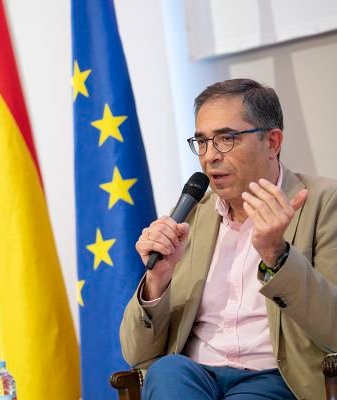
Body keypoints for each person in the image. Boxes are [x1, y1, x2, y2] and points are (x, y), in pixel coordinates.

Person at [120, 78, 337, 400]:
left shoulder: (323, 202)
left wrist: (276, 255)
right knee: (167, 370)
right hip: (194, 378)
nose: (210, 156)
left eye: (226, 139)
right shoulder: (191, 215)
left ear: (272, 142)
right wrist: (157, 280)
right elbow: (136, 354)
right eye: (202, 142)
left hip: (275, 379)